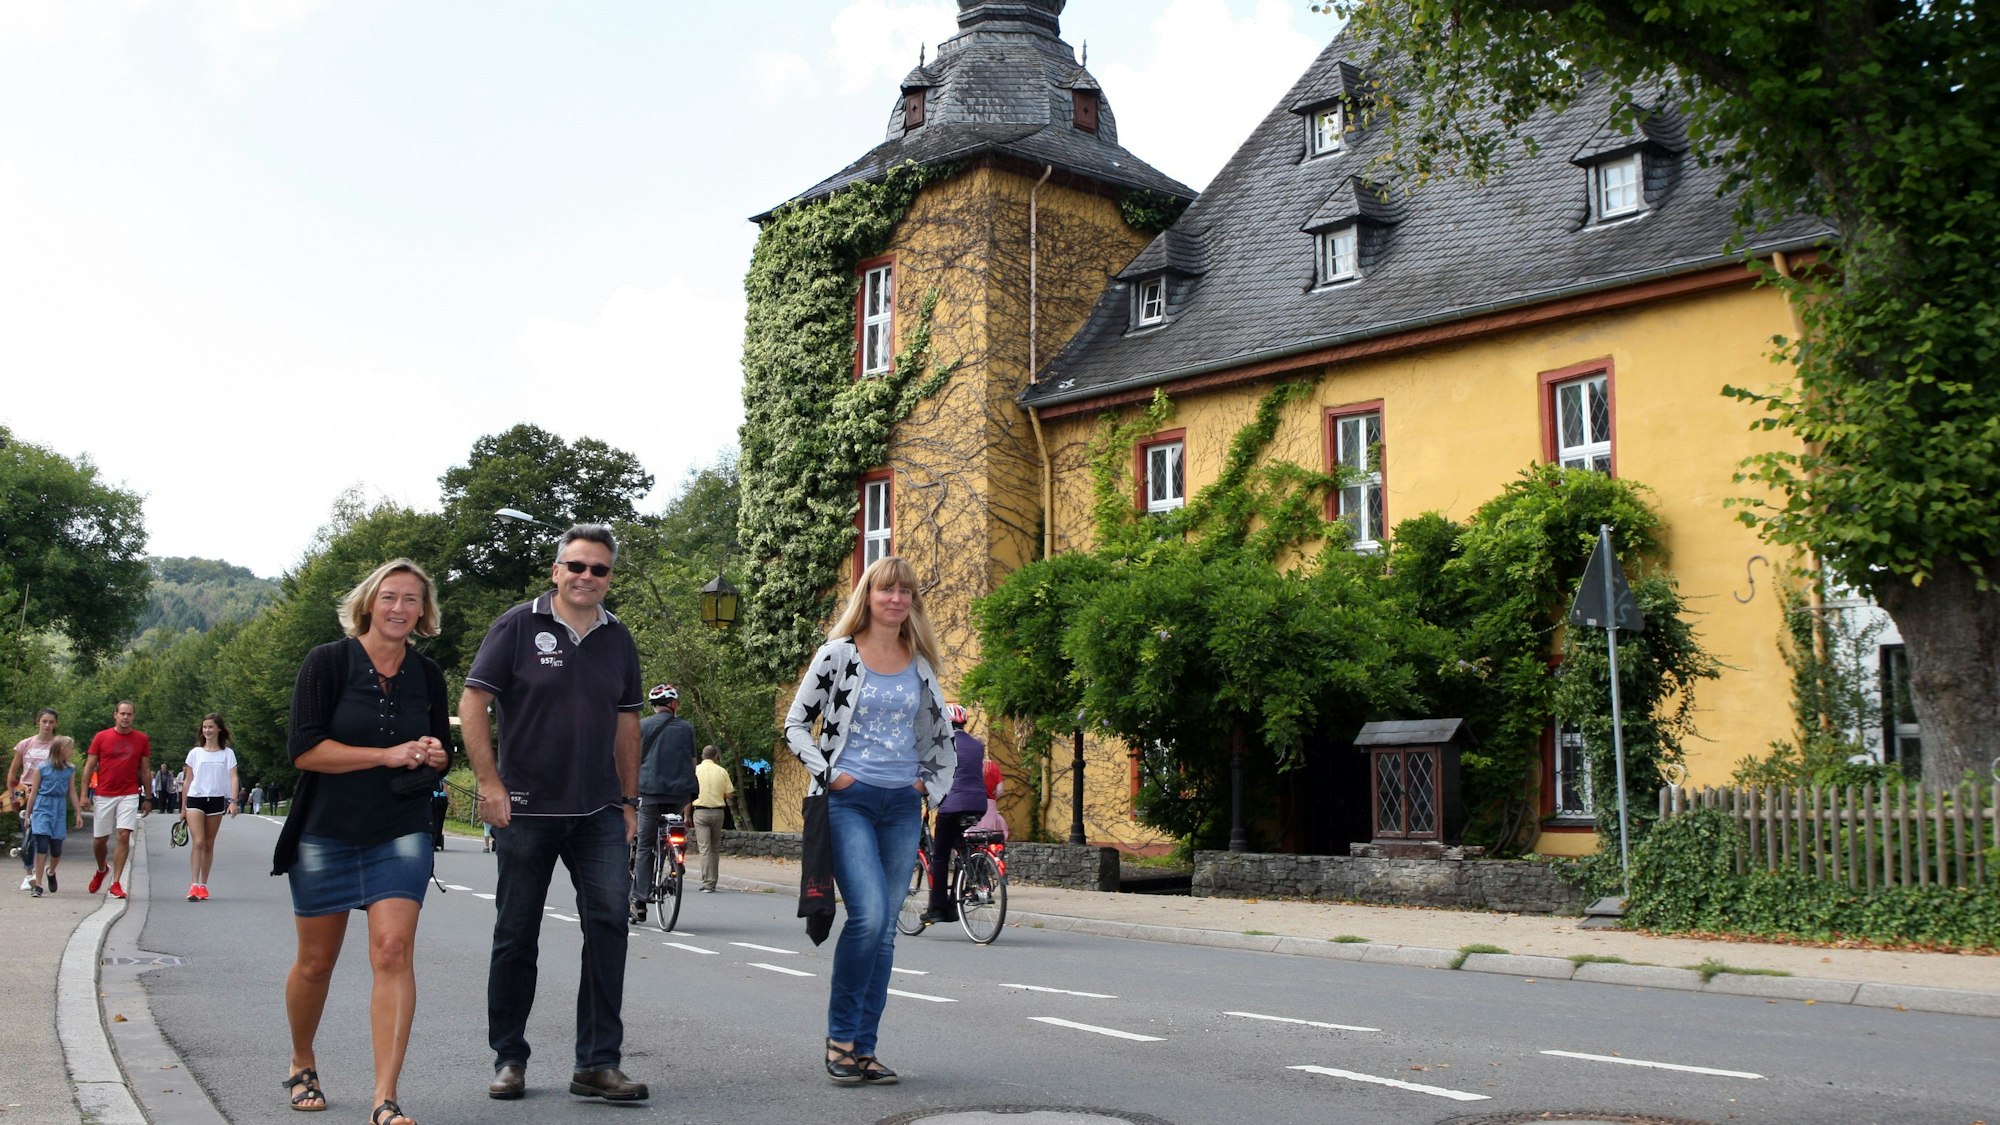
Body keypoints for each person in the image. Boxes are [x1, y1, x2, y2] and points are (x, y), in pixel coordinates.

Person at [461, 524, 648, 1103]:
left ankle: (597, 1063)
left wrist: (628, 800)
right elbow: (473, 702)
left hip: (597, 811)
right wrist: (489, 784)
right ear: (556, 569)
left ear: (610, 577)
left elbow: (627, 724)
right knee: (516, 933)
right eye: (577, 566)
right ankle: (509, 1059)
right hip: (525, 810)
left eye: (599, 569)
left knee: (610, 926)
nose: (587, 577)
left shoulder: (619, 638)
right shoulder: (518, 625)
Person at [273, 558, 452, 1125]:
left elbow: (438, 755)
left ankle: (385, 1096)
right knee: (316, 963)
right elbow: (304, 752)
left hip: (400, 828)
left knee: (393, 952)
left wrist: (433, 756)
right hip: (326, 830)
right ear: (369, 603)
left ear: (424, 611)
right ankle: (303, 1060)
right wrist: (385, 754)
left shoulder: (428, 675)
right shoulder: (327, 662)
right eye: (390, 597)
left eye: (411, 600)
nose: (400, 608)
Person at [783, 554, 954, 1085]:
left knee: (884, 935)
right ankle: (840, 1039)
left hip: (901, 804)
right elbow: (796, 725)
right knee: (872, 917)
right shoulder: (838, 656)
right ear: (869, 596)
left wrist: (927, 784)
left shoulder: (920, 662)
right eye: (886, 589)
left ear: (912, 602)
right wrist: (830, 774)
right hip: (849, 802)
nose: (896, 598)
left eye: (905, 591)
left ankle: (864, 1049)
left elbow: (939, 733)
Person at [630, 683, 696, 923]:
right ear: (674, 705)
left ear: (654, 706)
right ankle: (675, 868)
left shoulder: (642, 726)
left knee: (645, 846)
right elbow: (692, 763)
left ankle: (639, 899)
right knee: (676, 830)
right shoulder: (687, 728)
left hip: (649, 794)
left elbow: (631, 762)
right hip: (679, 794)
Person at [922, 703, 986, 925]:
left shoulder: (943, 743)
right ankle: (959, 888)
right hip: (979, 803)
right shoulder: (977, 745)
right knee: (958, 845)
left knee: (939, 857)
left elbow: (931, 772)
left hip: (953, 805)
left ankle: (938, 908)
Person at [81, 701, 150, 899]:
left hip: (129, 793)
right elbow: (89, 766)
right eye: (122, 714)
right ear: (115, 715)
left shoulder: (141, 739)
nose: (125, 717)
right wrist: (84, 794)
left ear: (133, 716)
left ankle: (116, 882)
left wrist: (148, 797)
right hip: (104, 793)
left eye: (129, 714)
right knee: (99, 840)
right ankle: (102, 868)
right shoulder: (101, 737)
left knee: (123, 835)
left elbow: (144, 769)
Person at [179, 714, 240, 902]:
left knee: (208, 843)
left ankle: (203, 884)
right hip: (195, 799)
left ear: (219, 729)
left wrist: (233, 801)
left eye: (211, 727)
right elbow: (188, 781)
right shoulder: (195, 753)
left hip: (215, 800)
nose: (207, 731)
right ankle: (193, 885)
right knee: (197, 841)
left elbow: (233, 777)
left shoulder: (227, 753)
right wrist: (183, 807)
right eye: (204, 727)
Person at [25, 736, 83, 897]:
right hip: (42, 808)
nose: (72, 751)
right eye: (70, 748)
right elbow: (34, 793)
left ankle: (50, 871)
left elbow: (72, 791)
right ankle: (38, 884)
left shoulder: (69, 769)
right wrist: (28, 815)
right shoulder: (42, 768)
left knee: (56, 850)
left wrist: (78, 813)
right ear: (61, 750)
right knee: (42, 846)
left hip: (59, 809)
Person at [9, 708, 59, 890]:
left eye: (51, 722)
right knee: (28, 834)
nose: (47, 725)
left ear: (56, 724)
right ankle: (28, 874)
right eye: (44, 721)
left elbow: (63, 770)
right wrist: (13, 795)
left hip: (47, 793)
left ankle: (44, 872)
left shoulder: (57, 745)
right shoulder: (25, 744)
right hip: (26, 791)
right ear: (38, 721)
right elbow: (14, 771)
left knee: (44, 836)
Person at [691, 745, 734, 893]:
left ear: (702, 756)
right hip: (717, 812)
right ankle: (713, 882)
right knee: (715, 848)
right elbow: (729, 794)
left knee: (705, 848)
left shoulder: (695, 770)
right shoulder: (722, 771)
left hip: (700, 812)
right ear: (716, 756)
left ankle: (707, 883)